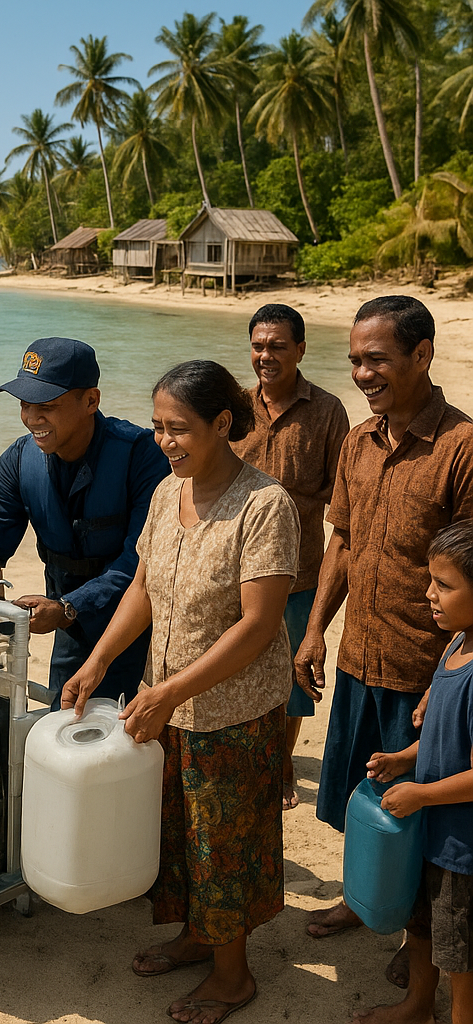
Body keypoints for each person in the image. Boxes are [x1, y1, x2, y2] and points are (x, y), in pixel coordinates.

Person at [63, 360, 299, 1024]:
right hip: (163, 699)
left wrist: (172, 692)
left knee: (222, 844)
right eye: (158, 427)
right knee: (177, 836)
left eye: (180, 428)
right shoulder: (170, 491)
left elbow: (258, 626)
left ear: (223, 424)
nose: (166, 441)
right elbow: (142, 586)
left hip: (232, 711)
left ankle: (233, 978)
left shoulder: (264, 504)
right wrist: (99, 659)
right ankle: (199, 937)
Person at [294, 296, 473, 963]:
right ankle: (363, 894)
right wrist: (314, 632)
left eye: (377, 360)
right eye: (354, 362)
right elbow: (341, 541)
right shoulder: (357, 441)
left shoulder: (461, 448)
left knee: (421, 812)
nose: (363, 375)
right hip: (357, 657)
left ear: (422, 354)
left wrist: (447, 677)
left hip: (426, 673)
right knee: (359, 792)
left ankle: (418, 935)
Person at [0, 337, 169, 706]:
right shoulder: (18, 462)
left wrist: (70, 607)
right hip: (67, 621)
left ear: (91, 401)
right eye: (24, 405)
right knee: (65, 712)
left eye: (47, 406)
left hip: (138, 618)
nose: (32, 418)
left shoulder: (141, 455)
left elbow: (140, 562)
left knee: (125, 728)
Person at [231, 303, 349, 810]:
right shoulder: (231, 406)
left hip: (300, 570)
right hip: (234, 565)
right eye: (258, 345)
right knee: (234, 663)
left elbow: (341, 497)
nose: (266, 356)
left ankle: (280, 766)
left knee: (294, 677)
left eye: (278, 345)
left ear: (301, 349)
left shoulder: (328, 411)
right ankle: (242, 756)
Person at [355, 519, 473, 1024]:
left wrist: (422, 796)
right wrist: (406, 759)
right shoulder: (455, 644)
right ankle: (418, 1005)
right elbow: (446, 736)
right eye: (431, 580)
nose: (429, 594)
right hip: (433, 834)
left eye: (444, 585)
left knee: (460, 954)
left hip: (461, 849)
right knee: (422, 926)